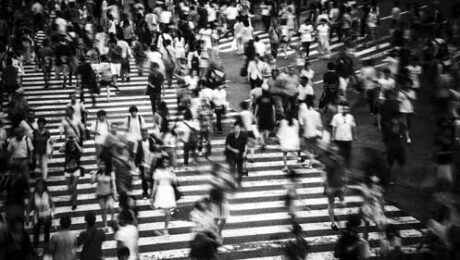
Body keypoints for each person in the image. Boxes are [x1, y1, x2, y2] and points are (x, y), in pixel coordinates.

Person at [318, 144, 347, 231]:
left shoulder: (341, 159)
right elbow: (324, 174)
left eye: (336, 151)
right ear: (331, 152)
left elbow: (344, 172)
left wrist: (345, 184)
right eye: (333, 151)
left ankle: (335, 216)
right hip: (331, 186)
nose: (335, 152)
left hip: (339, 185)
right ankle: (333, 223)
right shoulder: (328, 162)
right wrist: (326, 185)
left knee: (342, 203)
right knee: (331, 205)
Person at [150, 156, 177, 238]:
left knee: (168, 212)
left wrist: (173, 174)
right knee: (161, 210)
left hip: (169, 191)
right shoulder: (157, 171)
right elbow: (155, 184)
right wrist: (152, 196)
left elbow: (175, 182)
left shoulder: (170, 170)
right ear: (161, 162)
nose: (166, 164)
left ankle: (165, 229)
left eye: (167, 162)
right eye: (164, 162)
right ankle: (160, 229)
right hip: (161, 191)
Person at [25, 178, 55, 248]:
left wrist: (52, 213)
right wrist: (27, 216)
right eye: (38, 185)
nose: (39, 186)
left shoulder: (47, 193)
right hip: (37, 216)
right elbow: (29, 206)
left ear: (44, 185)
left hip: (47, 215)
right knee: (36, 232)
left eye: (41, 184)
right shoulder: (34, 195)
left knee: (47, 232)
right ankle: (36, 247)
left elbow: (52, 204)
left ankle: (46, 247)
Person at [59, 133, 82, 210]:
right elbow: (59, 150)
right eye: (70, 140)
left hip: (76, 169)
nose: (71, 142)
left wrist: (76, 143)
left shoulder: (77, 148)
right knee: (69, 187)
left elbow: (82, 151)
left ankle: (74, 203)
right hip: (67, 169)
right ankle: (73, 196)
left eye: (72, 140)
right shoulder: (66, 148)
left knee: (74, 186)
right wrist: (65, 142)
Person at [298, 98, 323, 168]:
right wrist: (320, 134)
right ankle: (311, 162)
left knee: (306, 149)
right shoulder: (317, 114)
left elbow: (302, 124)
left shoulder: (304, 114)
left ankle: (311, 162)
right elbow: (319, 125)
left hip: (307, 134)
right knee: (313, 149)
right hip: (314, 134)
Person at [92, 161, 116, 231]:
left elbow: (113, 184)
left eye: (103, 164)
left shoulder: (111, 173)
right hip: (101, 195)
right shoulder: (98, 174)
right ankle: (105, 225)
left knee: (111, 208)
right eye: (101, 165)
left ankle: (112, 220)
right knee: (103, 210)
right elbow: (91, 181)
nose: (102, 166)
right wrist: (95, 174)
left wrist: (115, 193)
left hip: (109, 194)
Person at [331, 104, 356, 169]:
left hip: (348, 139)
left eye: (347, 109)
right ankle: (338, 168)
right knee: (339, 155)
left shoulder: (351, 117)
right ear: (342, 109)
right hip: (338, 139)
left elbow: (353, 126)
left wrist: (354, 135)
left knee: (347, 155)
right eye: (344, 109)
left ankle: (347, 168)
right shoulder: (336, 117)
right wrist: (333, 136)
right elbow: (334, 127)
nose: (345, 110)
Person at [225, 122, 248, 186]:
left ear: (240, 129)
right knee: (232, 168)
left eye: (238, 128)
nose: (237, 130)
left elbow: (246, 145)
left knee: (240, 169)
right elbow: (227, 145)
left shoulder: (243, 135)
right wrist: (233, 150)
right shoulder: (230, 136)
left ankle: (239, 180)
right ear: (233, 129)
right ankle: (232, 182)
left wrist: (245, 152)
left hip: (240, 154)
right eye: (235, 128)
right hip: (231, 154)